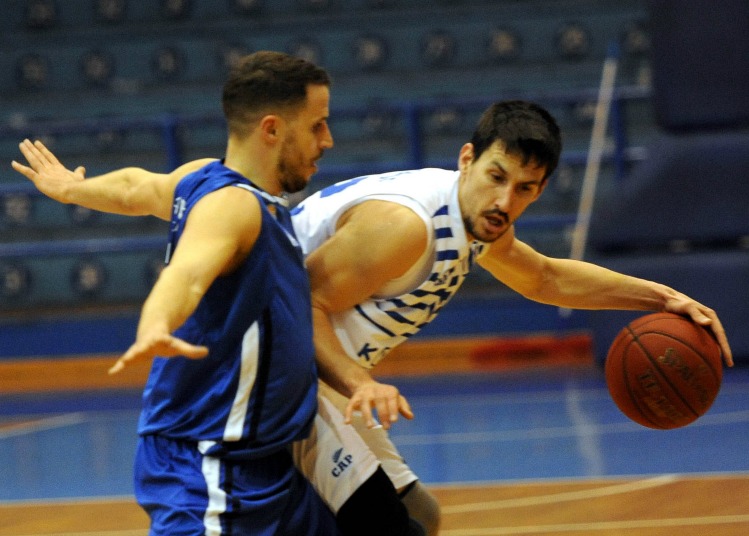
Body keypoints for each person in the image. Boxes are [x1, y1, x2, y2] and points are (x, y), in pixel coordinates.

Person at [13, 100, 734, 536]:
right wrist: (358, 382)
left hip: (323, 381)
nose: (506, 201)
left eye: (526, 189)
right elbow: (297, 305)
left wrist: (661, 297)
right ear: (467, 159)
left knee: (418, 518)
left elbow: (545, 277)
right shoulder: (407, 228)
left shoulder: (475, 220)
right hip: (284, 376)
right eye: (496, 177)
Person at [13, 50, 346, 535]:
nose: (328, 140)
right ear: (272, 129)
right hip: (209, 466)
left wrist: (71, 190)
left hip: (263, 463)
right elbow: (186, 274)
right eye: (316, 126)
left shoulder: (202, 177)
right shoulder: (233, 207)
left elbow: (136, 188)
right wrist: (156, 323)